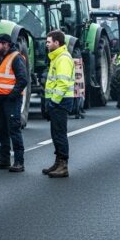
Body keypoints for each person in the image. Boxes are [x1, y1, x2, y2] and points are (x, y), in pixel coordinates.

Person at [0, 34, 29, 173]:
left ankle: (19, 161)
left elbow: (23, 80)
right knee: (2, 130)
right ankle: (4, 159)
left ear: (6, 44)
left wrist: (12, 95)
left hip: (11, 100)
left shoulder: (16, 58)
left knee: (14, 129)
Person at [42, 30, 75, 178]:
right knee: (56, 134)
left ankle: (63, 166)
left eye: (48, 42)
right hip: (58, 101)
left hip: (60, 102)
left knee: (59, 134)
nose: (46, 44)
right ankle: (58, 162)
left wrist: (53, 102)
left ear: (57, 43)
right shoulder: (56, 57)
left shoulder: (63, 58)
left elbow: (62, 83)